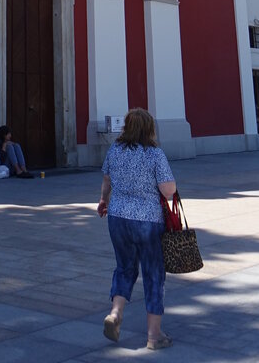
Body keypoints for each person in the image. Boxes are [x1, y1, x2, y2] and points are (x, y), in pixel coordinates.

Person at [97, 108, 177, 350]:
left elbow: (106, 181)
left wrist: (103, 201)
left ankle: (116, 313)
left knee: (125, 268)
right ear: (149, 128)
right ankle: (154, 336)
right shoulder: (154, 154)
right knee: (153, 274)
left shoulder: (115, 150)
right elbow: (168, 189)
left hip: (118, 218)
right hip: (147, 221)